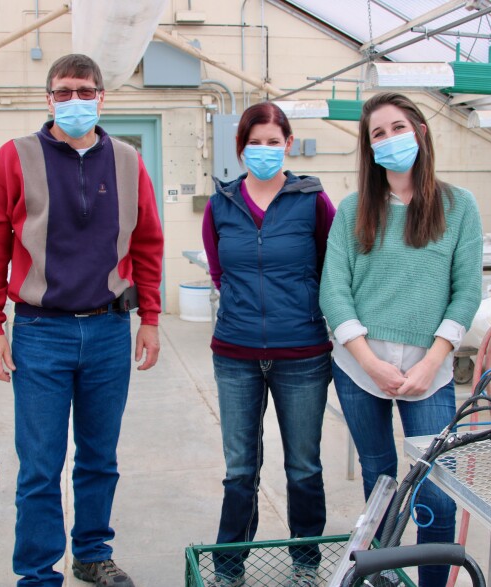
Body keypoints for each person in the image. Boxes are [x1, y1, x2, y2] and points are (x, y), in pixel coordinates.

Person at [0, 53, 163, 587]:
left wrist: (150, 316)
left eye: (84, 90)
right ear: (47, 98)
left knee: (100, 458)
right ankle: (36, 573)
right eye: (63, 91)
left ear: (102, 97)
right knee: (40, 466)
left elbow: (147, 242)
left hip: (107, 329)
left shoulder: (127, 161)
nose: (74, 100)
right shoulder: (16, 157)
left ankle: (92, 553)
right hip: (40, 332)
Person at [319, 92, 482, 587]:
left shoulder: (458, 207)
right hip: (359, 369)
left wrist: (433, 364)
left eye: (397, 128)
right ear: (368, 149)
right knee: (380, 484)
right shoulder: (353, 210)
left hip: (428, 373)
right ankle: (380, 577)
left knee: (435, 493)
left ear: (421, 132)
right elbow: (334, 290)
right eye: (377, 134)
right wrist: (370, 363)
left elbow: (467, 291)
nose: (389, 140)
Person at [202, 101, 336, 587]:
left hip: (301, 354)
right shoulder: (221, 204)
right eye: (254, 142)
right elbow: (220, 273)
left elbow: (332, 267)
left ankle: (306, 564)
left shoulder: (313, 200)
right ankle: (230, 568)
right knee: (240, 468)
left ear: (288, 145)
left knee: (303, 464)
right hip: (235, 354)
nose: (264, 150)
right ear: (240, 149)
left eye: (272, 142)